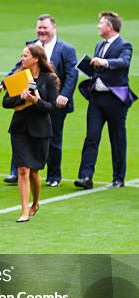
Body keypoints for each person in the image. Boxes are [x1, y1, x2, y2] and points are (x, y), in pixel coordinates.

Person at [0, 14, 78, 187]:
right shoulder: (31, 46)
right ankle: (17, 171)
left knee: (54, 138)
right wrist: (6, 81)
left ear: (54, 29)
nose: (42, 31)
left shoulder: (66, 49)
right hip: (28, 101)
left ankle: (54, 175)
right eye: (39, 28)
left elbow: (72, 74)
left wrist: (64, 95)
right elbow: (20, 66)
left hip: (54, 101)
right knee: (21, 132)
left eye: (45, 28)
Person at [75, 11, 136, 190]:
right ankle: (85, 176)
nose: (98, 26)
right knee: (91, 137)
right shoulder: (99, 45)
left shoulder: (125, 45)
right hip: (97, 98)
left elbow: (124, 62)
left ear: (110, 27)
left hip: (115, 98)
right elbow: (99, 71)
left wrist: (105, 62)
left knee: (117, 138)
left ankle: (118, 178)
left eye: (101, 23)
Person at [2, 45, 60, 222]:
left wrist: (36, 101)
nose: (22, 58)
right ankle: (25, 210)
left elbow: (51, 106)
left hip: (40, 129)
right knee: (23, 169)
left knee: (34, 171)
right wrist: (21, 97)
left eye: (25, 55)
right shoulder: (18, 77)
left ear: (36, 58)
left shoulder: (49, 79)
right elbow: (6, 102)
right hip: (20, 128)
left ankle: (35, 203)